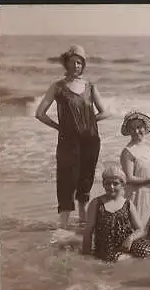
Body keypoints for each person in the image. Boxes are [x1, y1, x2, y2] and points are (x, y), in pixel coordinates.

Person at [35, 44, 108, 229]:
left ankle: (83, 220)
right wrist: (60, 127)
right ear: (66, 63)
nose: (77, 66)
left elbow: (105, 112)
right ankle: (64, 225)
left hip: (90, 140)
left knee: (86, 178)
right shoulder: (58, 87)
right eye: (73, 62)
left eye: (80, 63)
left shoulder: (90, 86)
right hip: (67, 142)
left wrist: (89, 122)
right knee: (66, 179)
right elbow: (40, 113)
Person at [82, 165, 150, 262]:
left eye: (115, 183)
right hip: (107, 246)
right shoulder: (96, 203)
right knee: (113, 259)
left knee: (148, 251)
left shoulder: (128, 204)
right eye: (107, 183)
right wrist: (86, 255)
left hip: (126, 243)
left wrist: (130, 239)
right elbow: (88, 231)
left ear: (123, 184)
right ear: (103, 184)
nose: (111, 187)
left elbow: (140, 229)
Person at [120, 111, 150, 226]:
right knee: (136, 228)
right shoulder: (128, 151)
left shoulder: (149, 149)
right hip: (136, 195)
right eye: (132, 128)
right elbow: (128, 179)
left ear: (145, 128)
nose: (136, 131)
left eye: (139, 127)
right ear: (128, 131)